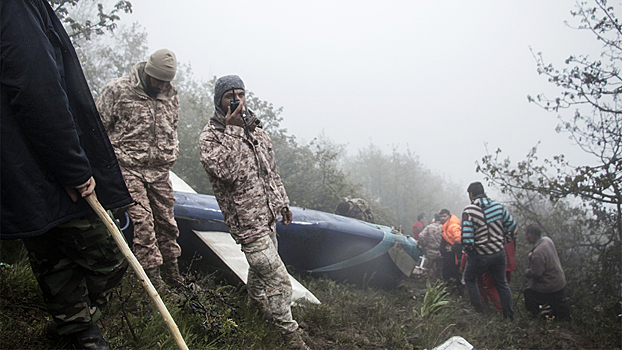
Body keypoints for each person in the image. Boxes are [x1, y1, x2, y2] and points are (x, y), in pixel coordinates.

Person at [1, 0, 134, 348]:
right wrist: (72, 167)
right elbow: (36, 87)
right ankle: (74, 328)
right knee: (107, 254)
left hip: (22, 162)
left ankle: (74, 329)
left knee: (51, 247)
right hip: (39, 161)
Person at [199, 75, 309, 349]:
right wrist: (233, 130)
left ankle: (255, 306)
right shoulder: (211, 136)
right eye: (230, 96)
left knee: (261, 271)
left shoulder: (257, 131)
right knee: (278, 279)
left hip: (268, 215)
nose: (237, 100)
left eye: (241, 94)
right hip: (246, 222)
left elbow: (270, 171)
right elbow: (226, 172)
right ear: (219, 101)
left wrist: (282, 202)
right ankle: (291, 336)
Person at [96, 49, 184, 290]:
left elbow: (172, 127)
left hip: (159, 173)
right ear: (148, 72)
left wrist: (171, 152)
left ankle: (173, 274)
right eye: (159, 80)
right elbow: (98, 129)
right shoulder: (117, 90)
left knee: (167, 223)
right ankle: (152, 280)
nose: (162, 85)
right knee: (143, 221)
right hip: (127, 167)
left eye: (167, 81)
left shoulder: (171, 95)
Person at [461, 182, 516, 320]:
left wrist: (472, 253)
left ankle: (478, 312)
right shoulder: (498, 207)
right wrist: (504, 240)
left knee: (469, 278)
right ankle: (509, 315)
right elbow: (512, 226)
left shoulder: (469, 211)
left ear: (471, 194)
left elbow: (467, 240)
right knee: (501, 283)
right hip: (498, 253)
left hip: (480, 255)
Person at [524, 224, 571, 321]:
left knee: (529, 293)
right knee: (557, 303)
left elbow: (537, 273)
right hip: (560, 280)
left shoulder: (538, 252)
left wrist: (527, 272)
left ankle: (535, 317)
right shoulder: (547, 240)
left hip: (550, 284)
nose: (526, 237)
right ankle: (558, 315)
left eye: (527, 235)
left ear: (533, 235)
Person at [439, 208, 463, 291]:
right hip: (447, 255)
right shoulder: (446, 226)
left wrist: (453, 249)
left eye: (444, 216)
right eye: (441, 216)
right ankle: (449, 289)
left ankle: (456, 291)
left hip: (453, 256)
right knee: (447, 273)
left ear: (449, 216)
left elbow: (459, 240)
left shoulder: (453, 226)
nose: (442, 218)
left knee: (453, 274)